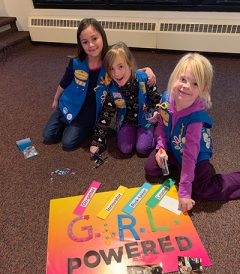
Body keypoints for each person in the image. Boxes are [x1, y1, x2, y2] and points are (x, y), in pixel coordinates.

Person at [144, 53, 240, 212]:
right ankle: (177, 166)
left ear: (203, 89)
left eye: (195, 84)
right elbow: (161, 124)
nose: (186, 86)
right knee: (151, 168)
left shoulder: (195, 118)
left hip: (195, 155)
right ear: (175, 77)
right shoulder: (166, 98)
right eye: (183, 79)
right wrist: (161, 148)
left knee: (203, 188)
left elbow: (189, 155)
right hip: (174, 145)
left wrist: (184, 192)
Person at [42, 18, 156, 150]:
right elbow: (64, 81)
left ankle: (84, 127)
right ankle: (65, 118)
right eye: (85, 42)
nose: (91, 45)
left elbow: (126, 67)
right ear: (81, 44)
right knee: (48, 136)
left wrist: (147, 70)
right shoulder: (76, 62)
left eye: (94, 39)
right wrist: (56, 99)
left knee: (68, 143)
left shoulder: (109, 60)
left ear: (102, 36)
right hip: (69, 103)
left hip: (90, 110)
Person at [90, 41, 161, 156]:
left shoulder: (144, 79)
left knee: (143, 148)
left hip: (146, 121)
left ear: (130, 64)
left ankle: (156, 134)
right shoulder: (112, 89)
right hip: (127, 122)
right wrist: (97, 141)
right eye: (111, 69)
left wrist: (157, 113)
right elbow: (106, 114)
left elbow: (157, 100)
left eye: (121, 66)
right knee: (125, 149)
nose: (116, 73)